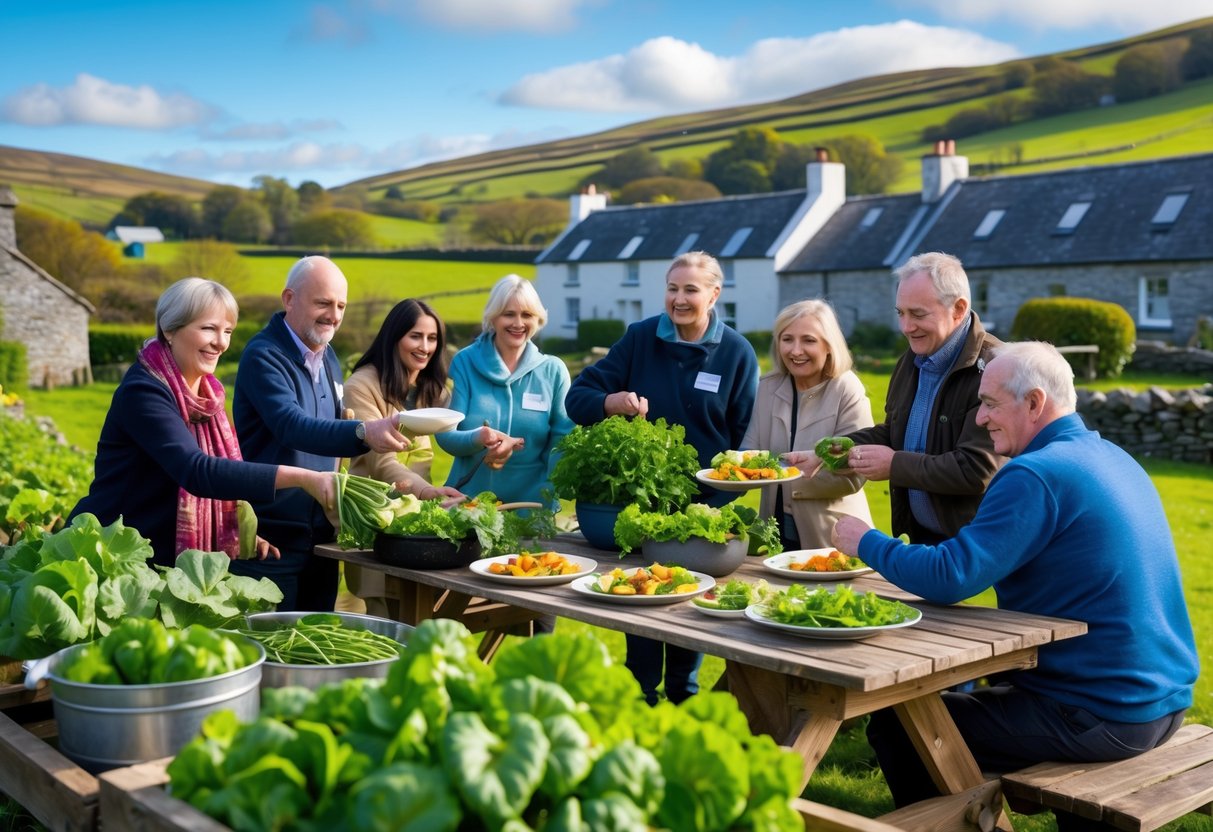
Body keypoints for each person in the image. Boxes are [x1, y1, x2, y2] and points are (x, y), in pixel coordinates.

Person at [831, 342, 1198, 828]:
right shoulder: (1110, 455)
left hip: (1104, 713)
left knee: (903, 724)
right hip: (1161, 700)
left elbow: (951, 575)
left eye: (989, 403)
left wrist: (866, 541)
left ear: (1034, 403)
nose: (979, 419)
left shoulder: (1037, 473)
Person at [565, 250, 759, 706]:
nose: (679, 299)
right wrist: (612, 403)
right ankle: (642, 698)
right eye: (672, 289)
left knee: (690, 605)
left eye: (691, 289)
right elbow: (578, 397)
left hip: (705, 506)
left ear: (714, 294)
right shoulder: (640, 339)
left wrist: (722, 485)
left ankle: (682, 696)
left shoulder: (735, 352)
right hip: (646, 501)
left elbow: (744, 432)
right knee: (645, 599)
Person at [70, 278, 336, 568]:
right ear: (170, 329)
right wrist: (303, 477)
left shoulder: (209, 396)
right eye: (208, 328)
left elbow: (215, 481)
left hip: (159, 562)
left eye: (228, 331)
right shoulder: (144, 391)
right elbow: (197, 470)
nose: (221, 342)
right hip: (108, 556)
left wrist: (237, 531)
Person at [232, 255, 409, 611]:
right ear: (289, 299)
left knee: (316, 648)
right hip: (272, 539)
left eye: (341, 305)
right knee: (273, 651)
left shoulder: (327, 357)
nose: (334, 315)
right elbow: (291, 426)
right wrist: (363, 431)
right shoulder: (263, 356)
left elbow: (330, 430)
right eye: (323, 303)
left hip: (322, 539)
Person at [811, 252, 1004, 544]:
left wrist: (895, 466)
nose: (905, 327)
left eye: (917, 314)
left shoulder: (996, 367)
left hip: (975, 549)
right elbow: (895, 434)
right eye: (900, 313)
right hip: (921, 541)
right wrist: (833, 452)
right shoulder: (911, 359)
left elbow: (977, 470)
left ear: (959, 308)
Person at [343, 298, 466, 618]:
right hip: (375, 519)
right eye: (415, 336)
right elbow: (381, 462)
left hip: (416, 520)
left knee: (418, 614)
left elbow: (462, 431)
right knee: (381, 617)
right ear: (394, 336)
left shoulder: (430, 388)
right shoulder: (362, 386)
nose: (425, 346)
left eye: (432, 338)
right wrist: (426, 492)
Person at [741, 300, 873, 550]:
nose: (796, 350)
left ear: (829, 346)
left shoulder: (846, 388)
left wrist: (783, 475)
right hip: (774, 529)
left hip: (834, 535)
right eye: (787, 339)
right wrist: (729, 468)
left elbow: (855, 474)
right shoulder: (768, 386)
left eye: (809, 340)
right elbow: (751, 452)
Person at [436, 275, 574, 508]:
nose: (518, 323)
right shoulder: (465, 362)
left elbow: (563, 438)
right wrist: (478, 438)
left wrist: (549, 490)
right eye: (509, 314)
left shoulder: (553, 370)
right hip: (470, 505)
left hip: (532, 507)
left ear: (538, 319)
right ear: (494, 317)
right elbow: (445, 434)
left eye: (527, 315)